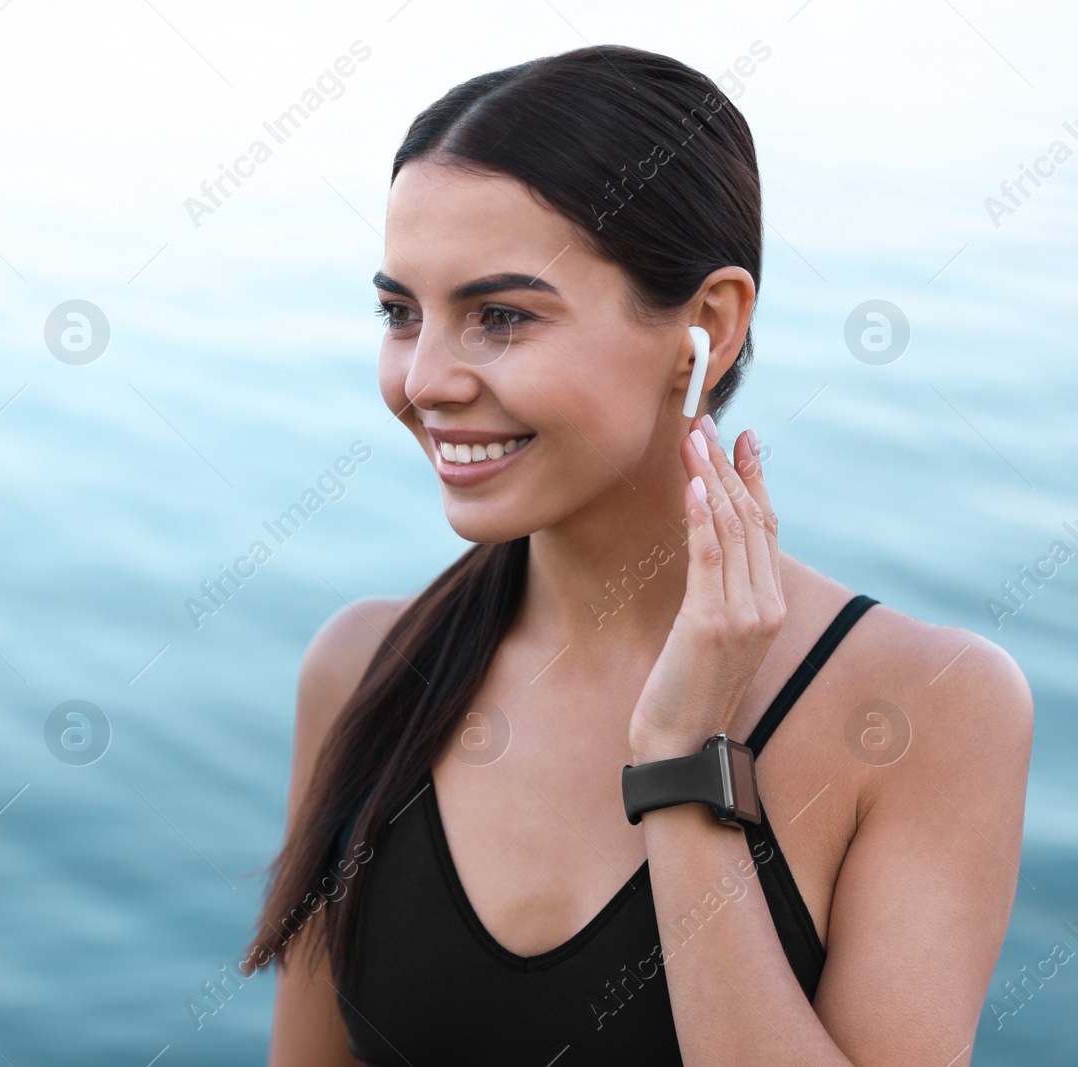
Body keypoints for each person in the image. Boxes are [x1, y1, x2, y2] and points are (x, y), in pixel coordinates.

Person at [247, 44, 1033, 1065]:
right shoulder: (361, 668)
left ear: (704, 328)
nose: (425, 378)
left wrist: (679, 763)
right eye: (400, 312)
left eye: (500, 316)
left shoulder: (932, 704)